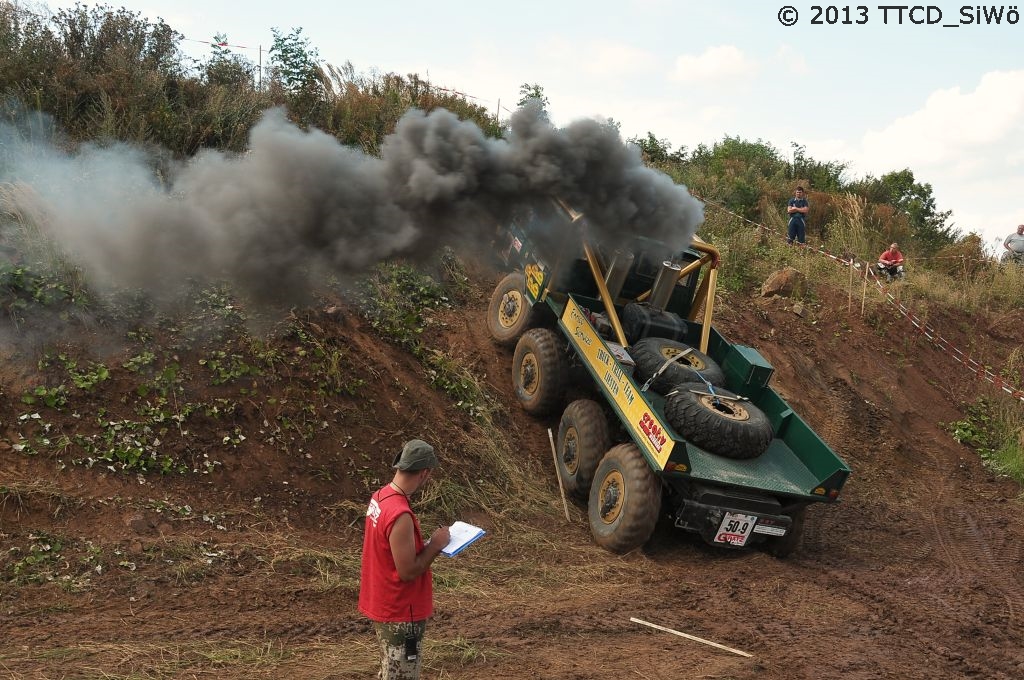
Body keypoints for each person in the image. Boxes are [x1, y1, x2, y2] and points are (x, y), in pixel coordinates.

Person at [359, 439, 450, 680]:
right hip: (402, 611)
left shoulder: (379, 498)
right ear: (424, 473)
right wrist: (437, 545)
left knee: (390, 670)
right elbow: (408, 571)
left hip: (384, 602)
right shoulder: (400, 515)